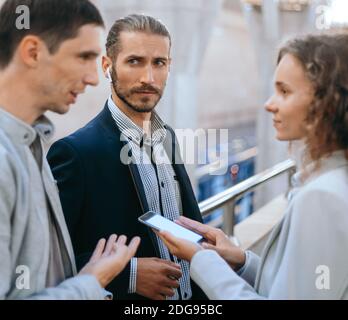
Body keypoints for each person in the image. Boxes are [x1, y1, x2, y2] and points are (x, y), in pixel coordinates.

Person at [157, 33, 348, 299]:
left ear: (327, 102)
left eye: (284, 91)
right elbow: (307, 285)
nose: (270, 104)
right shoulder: (333, 181)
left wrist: (201, 260)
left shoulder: (322, 197)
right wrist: (241, 260)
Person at [47, 14, 206, 300]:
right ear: (108, 66)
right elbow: (51, 258)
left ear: (169, 67)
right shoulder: (75, 153)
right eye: (134, 61)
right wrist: (128, 276)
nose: (148, 78)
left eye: (159, 63)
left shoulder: (167, 137)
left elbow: (188, 226)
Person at [0, 0, 140, 300]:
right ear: (33, 52)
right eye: (84, 56)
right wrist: (91, 281)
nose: (93, 78)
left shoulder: (31, 144)